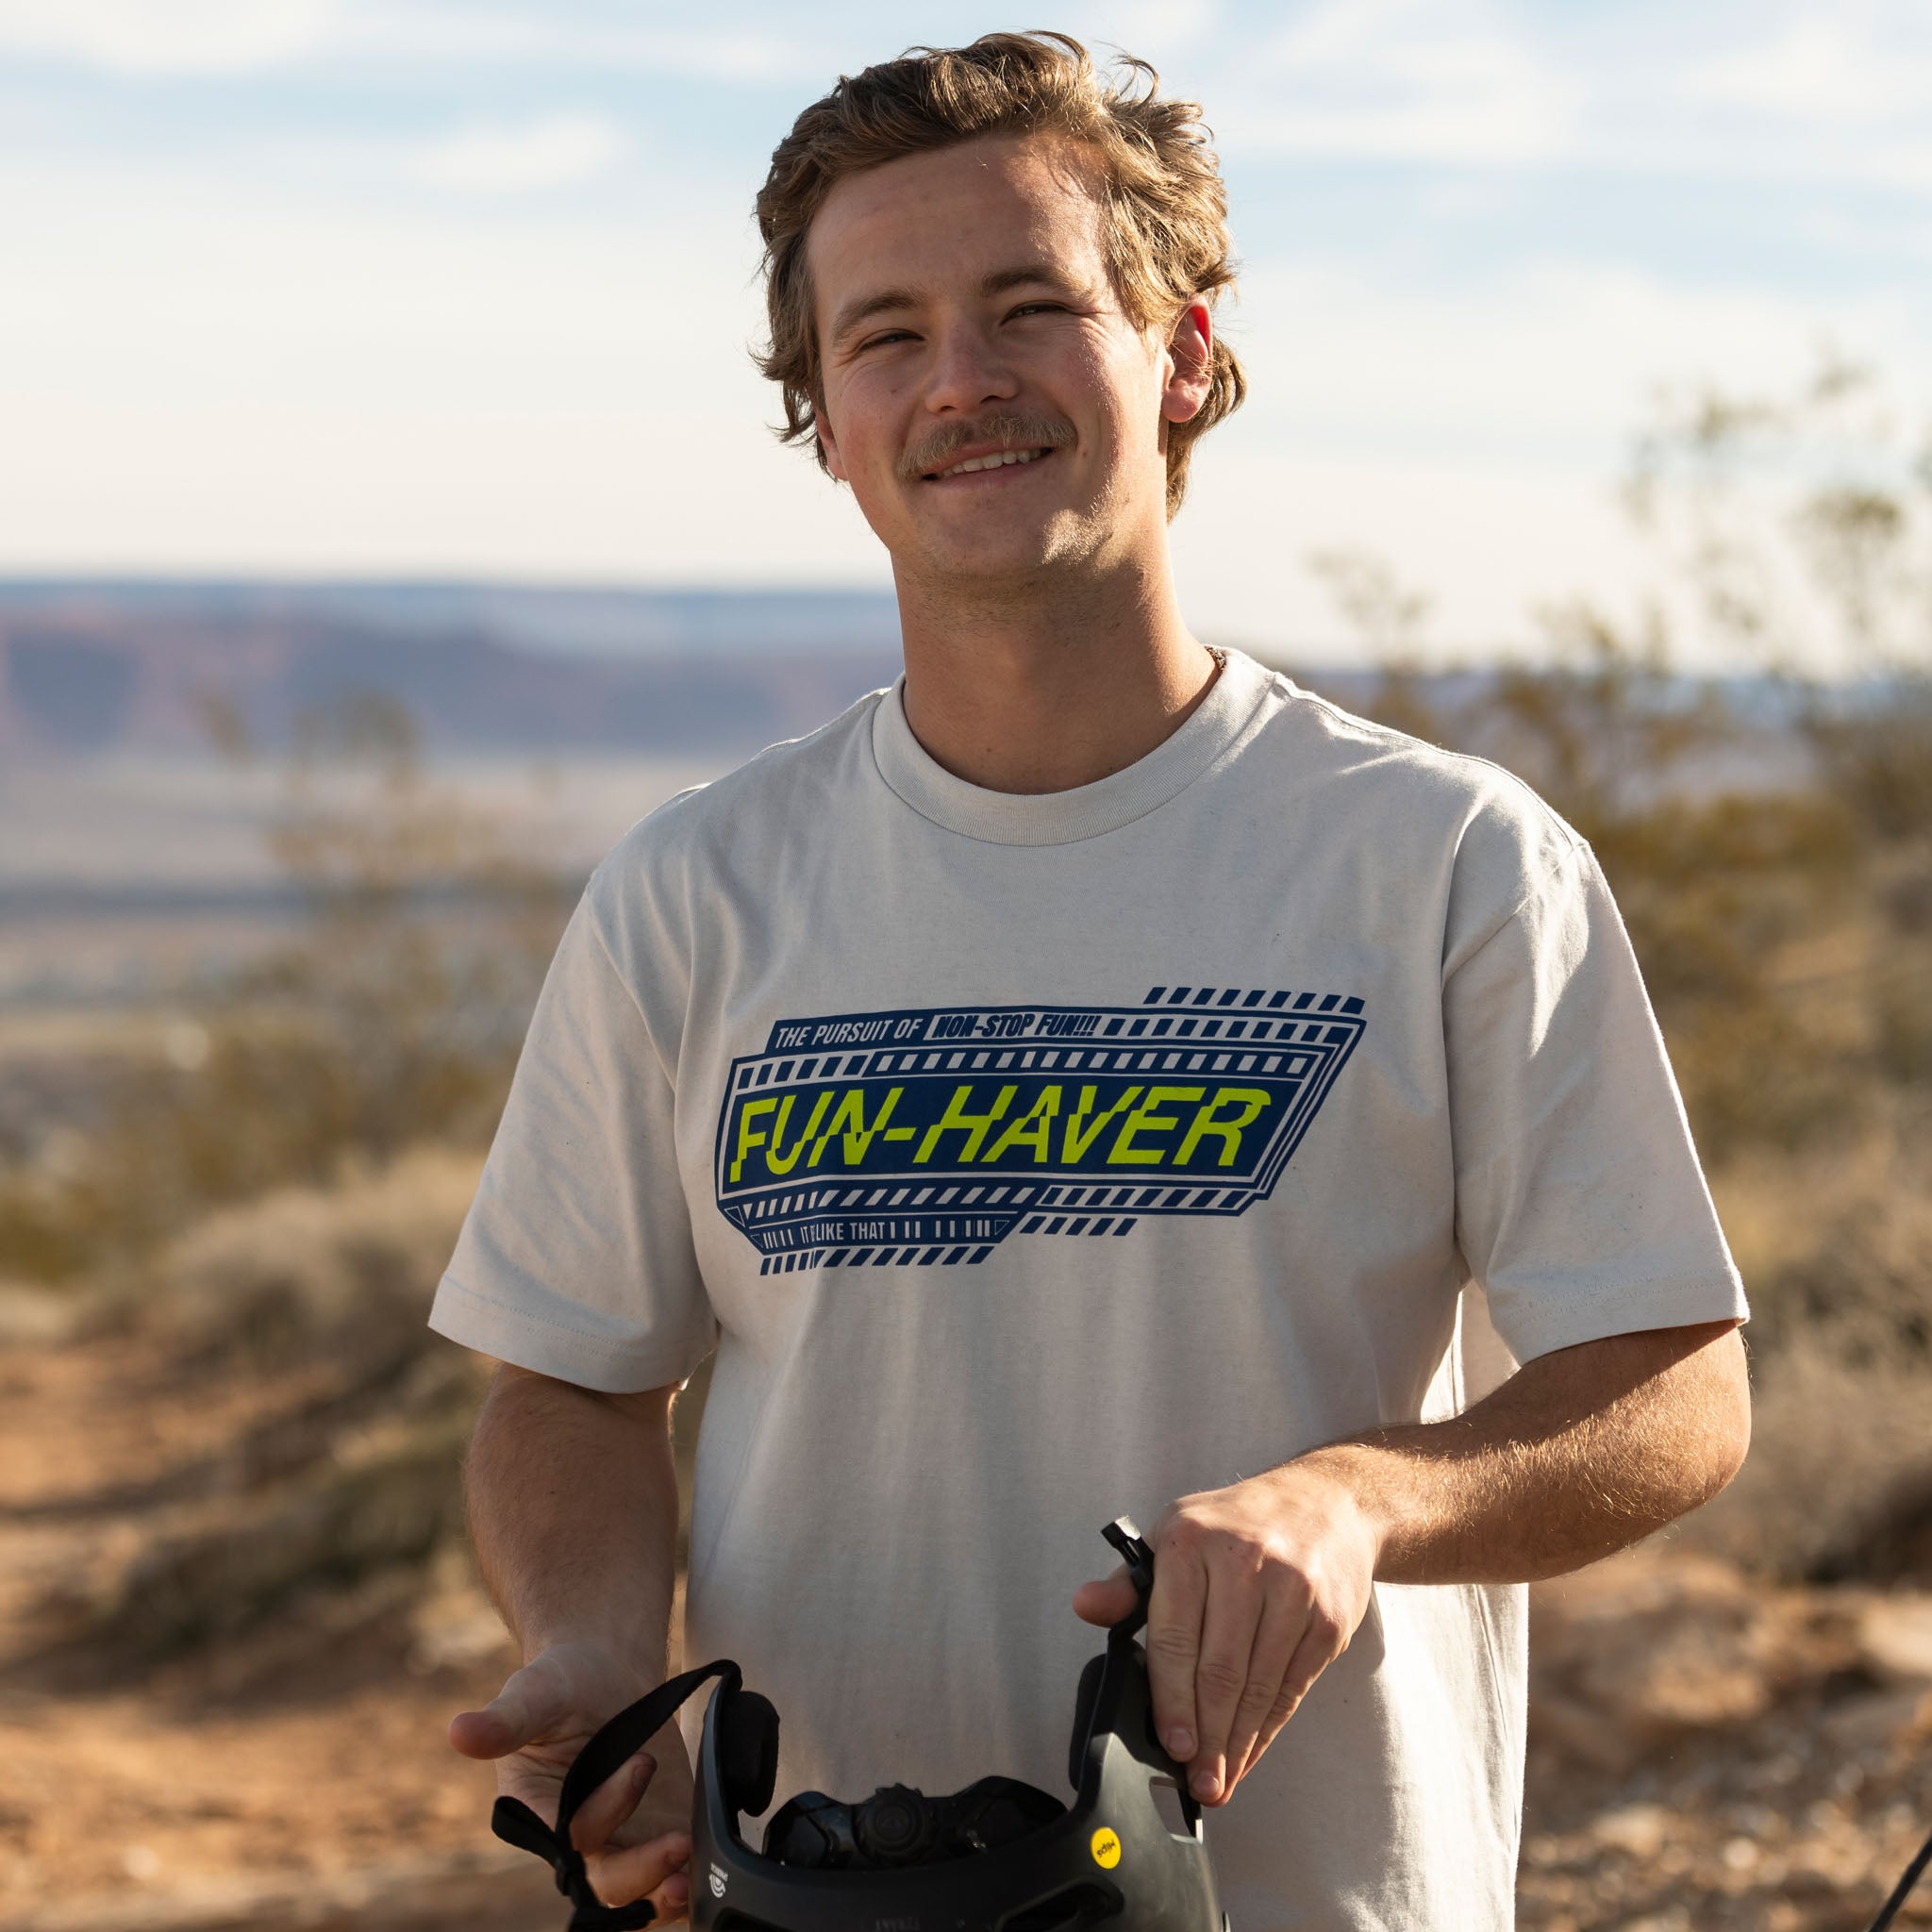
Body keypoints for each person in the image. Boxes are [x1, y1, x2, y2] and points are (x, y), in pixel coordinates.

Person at [429, 31, 1751, 1930]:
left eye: (1031, 307)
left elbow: (1676, 1390)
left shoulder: (1445, 861)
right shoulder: (695, 890)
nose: (959, 381)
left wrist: (1362, 1499)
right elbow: (569, 1382)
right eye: (884, 335)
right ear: (825, 419)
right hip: (811, 1893)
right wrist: (585, 1650)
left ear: (1181, 353)